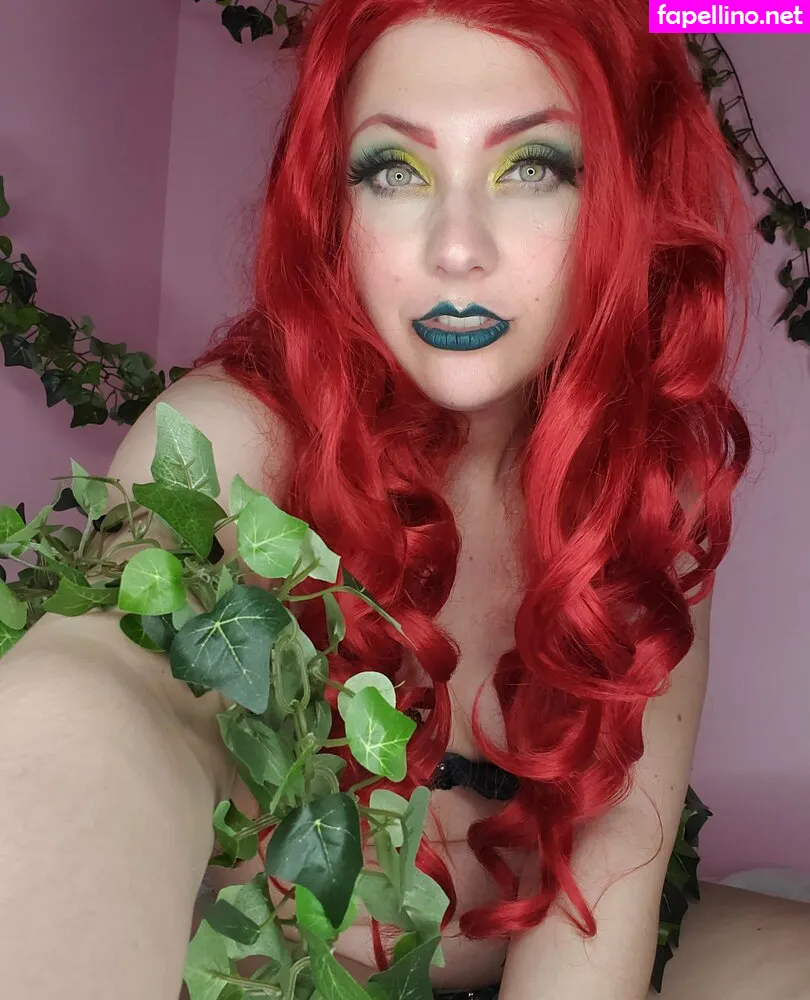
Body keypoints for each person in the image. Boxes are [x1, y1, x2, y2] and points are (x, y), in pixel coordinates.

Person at [2, 1, 810, 998]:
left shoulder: (651, 483)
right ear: (335, 208)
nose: (455, 248)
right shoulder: (233, 436)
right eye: (395, 169)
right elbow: (107, 684)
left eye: (532, 166)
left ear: (623, 198)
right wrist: (77, 710)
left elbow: (607, 882)